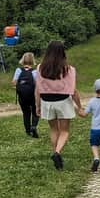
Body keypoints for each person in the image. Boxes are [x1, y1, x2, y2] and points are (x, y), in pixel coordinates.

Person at [35, 40, 81, 170]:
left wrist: (37, 105)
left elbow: (38, 89)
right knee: (64, 131)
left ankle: (54, 152)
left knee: (54, 129)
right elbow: (73, 91)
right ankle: (57, 152)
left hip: (46, 101)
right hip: (63, 102)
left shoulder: (40, 68)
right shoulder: (68, 69)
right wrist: (79, 106)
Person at [12, 52, 39, 138]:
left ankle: (28, 131)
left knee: (26, 113)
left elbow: (14, 82)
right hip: (33, 96)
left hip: (22, 96)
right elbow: (37, 84)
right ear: (32, 61)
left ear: (22, 60)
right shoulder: (35, 72)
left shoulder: (18, 70)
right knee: (35, 111)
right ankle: (33, 126)